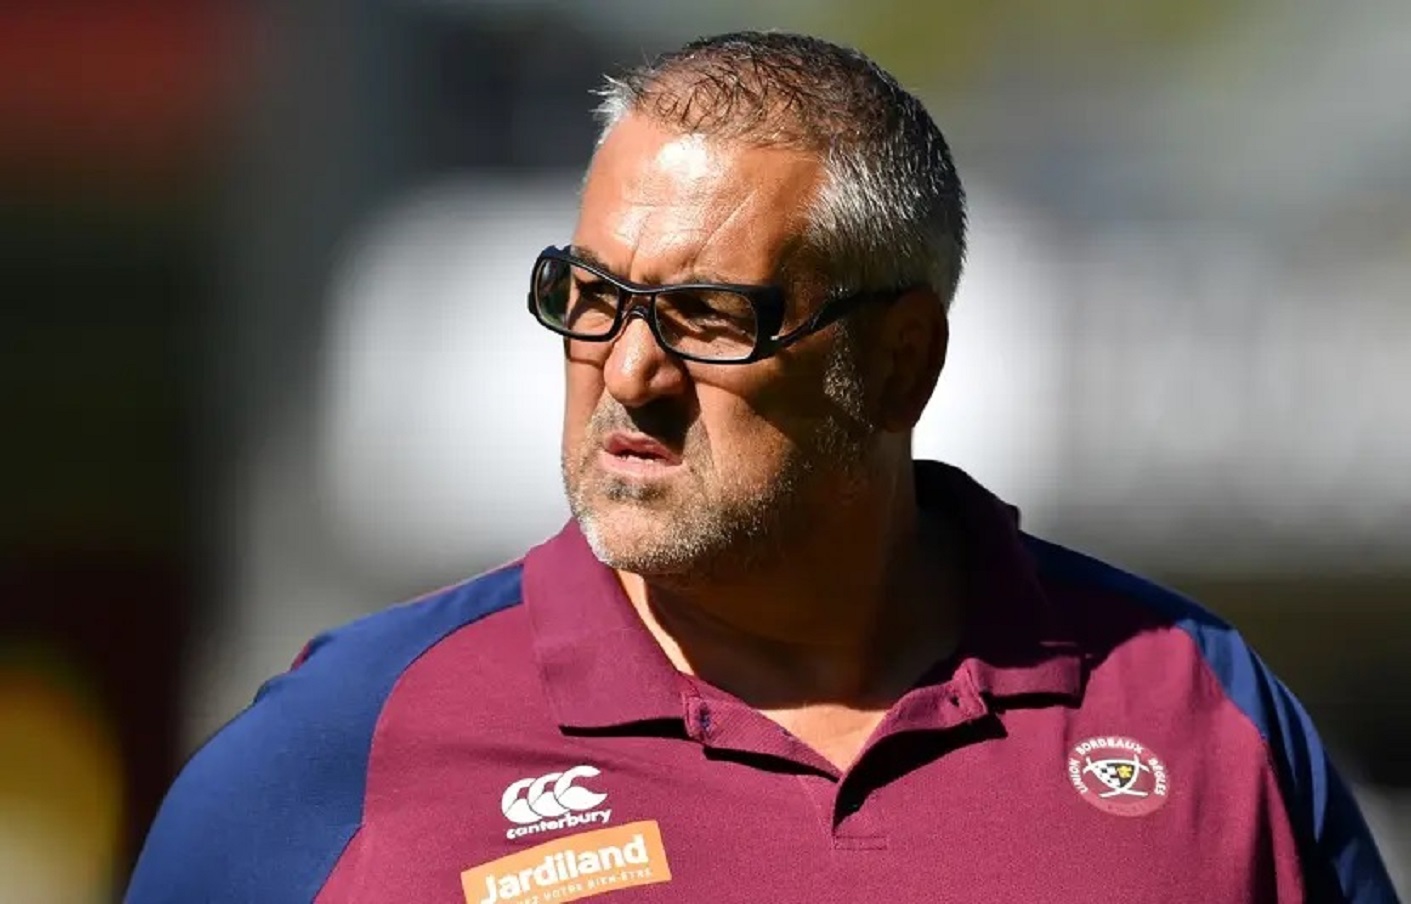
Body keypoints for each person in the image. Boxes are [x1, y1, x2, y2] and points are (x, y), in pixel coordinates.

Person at [126, 31, 1398, 904]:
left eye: (707, 317)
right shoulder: (337, 749)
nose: (628, 370)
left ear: (899, 364)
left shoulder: (1199, 712)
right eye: (591, 297)